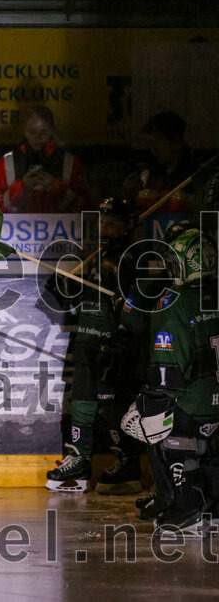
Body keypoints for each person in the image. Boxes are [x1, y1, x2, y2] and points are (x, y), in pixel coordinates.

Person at [43, 197, 143, 494]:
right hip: (87, 337)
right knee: (82, 401)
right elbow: (78, 299)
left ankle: (127, 462)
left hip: (110, 343)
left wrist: (122, 340)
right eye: (102, 221)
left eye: (112, 222)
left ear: (127, 225)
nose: (105, 227)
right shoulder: (98, 256)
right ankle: (80, 457)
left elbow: (138, 307)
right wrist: (63, 288)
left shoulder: (131, 259)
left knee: (112, 406)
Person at [124, 228, 219, 535]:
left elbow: (166, 372)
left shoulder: (173, 304)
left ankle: (185, 502)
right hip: (215, 403)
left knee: (145, 419)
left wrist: (150, 402)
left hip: (192, 405)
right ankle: (212, 505)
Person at [0, 105, 91, 214]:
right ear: (24, 131)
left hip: (60, 229)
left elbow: (87, 209)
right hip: (16, 230)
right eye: (31, 132)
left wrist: (55, 188)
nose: (37, 138)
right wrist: (21, 188)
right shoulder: (5, 164)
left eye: (43, 133)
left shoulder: (70, 163)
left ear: (52, 131)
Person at [123, 111, 197, 214]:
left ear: (176, 141)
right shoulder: (145, 175)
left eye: (158, 142)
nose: (153, 149)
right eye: (150, 143)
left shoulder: (196, 175)